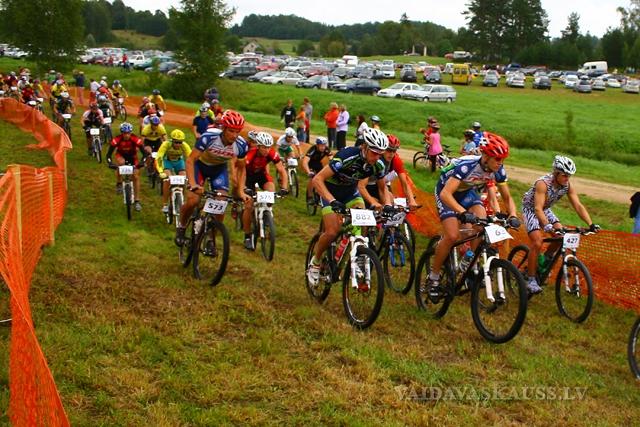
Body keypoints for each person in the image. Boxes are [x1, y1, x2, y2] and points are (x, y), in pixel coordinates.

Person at [426, 132, 521, 298]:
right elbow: (446, 194)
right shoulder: (467, 166)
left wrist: (512, 215)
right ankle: (433, 278)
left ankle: (470, 262)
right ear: (486, 157)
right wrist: (463, 212)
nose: (500, 163)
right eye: (498, 159)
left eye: (503, 160)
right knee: (452, 236)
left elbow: (507, 197)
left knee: (481, 224)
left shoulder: (498, 170)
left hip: (466, 192)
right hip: (446, 192)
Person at [306, 128, 391, 285]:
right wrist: (332, 201)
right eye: (374, 152)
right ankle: (315, 262)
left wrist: (387, 205)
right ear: (364, 147)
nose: (377, 157)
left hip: (350, 194)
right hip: (330, 192)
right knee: (332, 231)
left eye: (380, 154)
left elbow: (382, 187)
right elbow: (318, 179)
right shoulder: (347, 156)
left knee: (362, 224)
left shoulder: (378, 164)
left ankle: (357, 255)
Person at [521, 155, 600, 294]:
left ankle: (543, 262)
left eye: (569, 176)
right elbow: (538, 209)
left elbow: (578, 205)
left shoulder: (567, 186)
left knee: (561, 237)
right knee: (537, 242)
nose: (567, 178)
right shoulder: (543, 183)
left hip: (545, 209)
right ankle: (531, 279)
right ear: (556, 173)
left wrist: (591, 223)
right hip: (531, 209)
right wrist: (547, 226)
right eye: (564, 175)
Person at [175, 110, 250, 246]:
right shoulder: (209, 137)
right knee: (193, 200)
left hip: (218, 170)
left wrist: (240, 191)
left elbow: (241, 168)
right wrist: (193, 184)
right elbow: (191, 160)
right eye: (231, 131)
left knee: (221, 203)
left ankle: (210, 238)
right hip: (200, 167)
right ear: (224, 128)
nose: (234, 135)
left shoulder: (241, 145)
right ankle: (181, 227)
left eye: (237, 132)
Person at [241, 131, 289, 250]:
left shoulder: (271, 153)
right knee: (249, 205)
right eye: (264, 147)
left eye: (268, 147)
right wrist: (243, 188)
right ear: (258, 146)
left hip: (261, 175)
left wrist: (284, 188)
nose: (267, 150)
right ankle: (247, 236)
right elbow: (242, 172)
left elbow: (282, 171)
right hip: (247, 177)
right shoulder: (251, 154)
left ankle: (266, 216)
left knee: (271, 192)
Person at [358, 134, 418, 210]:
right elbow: (361, 186)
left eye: (394, 151)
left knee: (390, 199)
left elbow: (404, 183)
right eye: (389, 150)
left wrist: (412, 200)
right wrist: (375, 202)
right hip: (362, 184)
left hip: (376, 184)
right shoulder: (375, 159)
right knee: (374, 203)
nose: (391, 154)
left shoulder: (396, 160)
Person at [106, 122, 147, 212]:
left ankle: (137, 201)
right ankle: (119, 183)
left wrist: (142, 162)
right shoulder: (116, 140)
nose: (126, 135)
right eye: (124, 133)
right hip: (121, 156)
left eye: (128, 133)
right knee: (120, 164)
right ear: (122, 133)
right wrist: (110, 163)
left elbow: (144, 153)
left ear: (131, 133)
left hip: (133, 157)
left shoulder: (135, 139)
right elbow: (108, 155)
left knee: (135, 176)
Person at [156, 129, 192, 214]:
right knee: (167, 180)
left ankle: (181, 199)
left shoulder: (184, 145)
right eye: (176, 142)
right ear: (172, 140)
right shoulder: (166, 144)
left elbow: (191, 158)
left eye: (180, 142)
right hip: (167, 161)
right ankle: (165, 204)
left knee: (183, 179)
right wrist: (161, 171)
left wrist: (192, 172)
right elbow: (159, 158)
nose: (178, 144)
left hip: (179, 162)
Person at [302, 137, 332, 203]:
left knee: (323, 178)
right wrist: (308, 172)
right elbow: (305, 162)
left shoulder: (326, 149)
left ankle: (319, 193)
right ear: (317, 145)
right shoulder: (312, 149)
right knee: (312, 179)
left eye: (324, 145)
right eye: (321, 145)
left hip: (318, 163)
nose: (323, 147)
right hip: (310, 164)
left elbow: (332, 159)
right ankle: (309, 196)